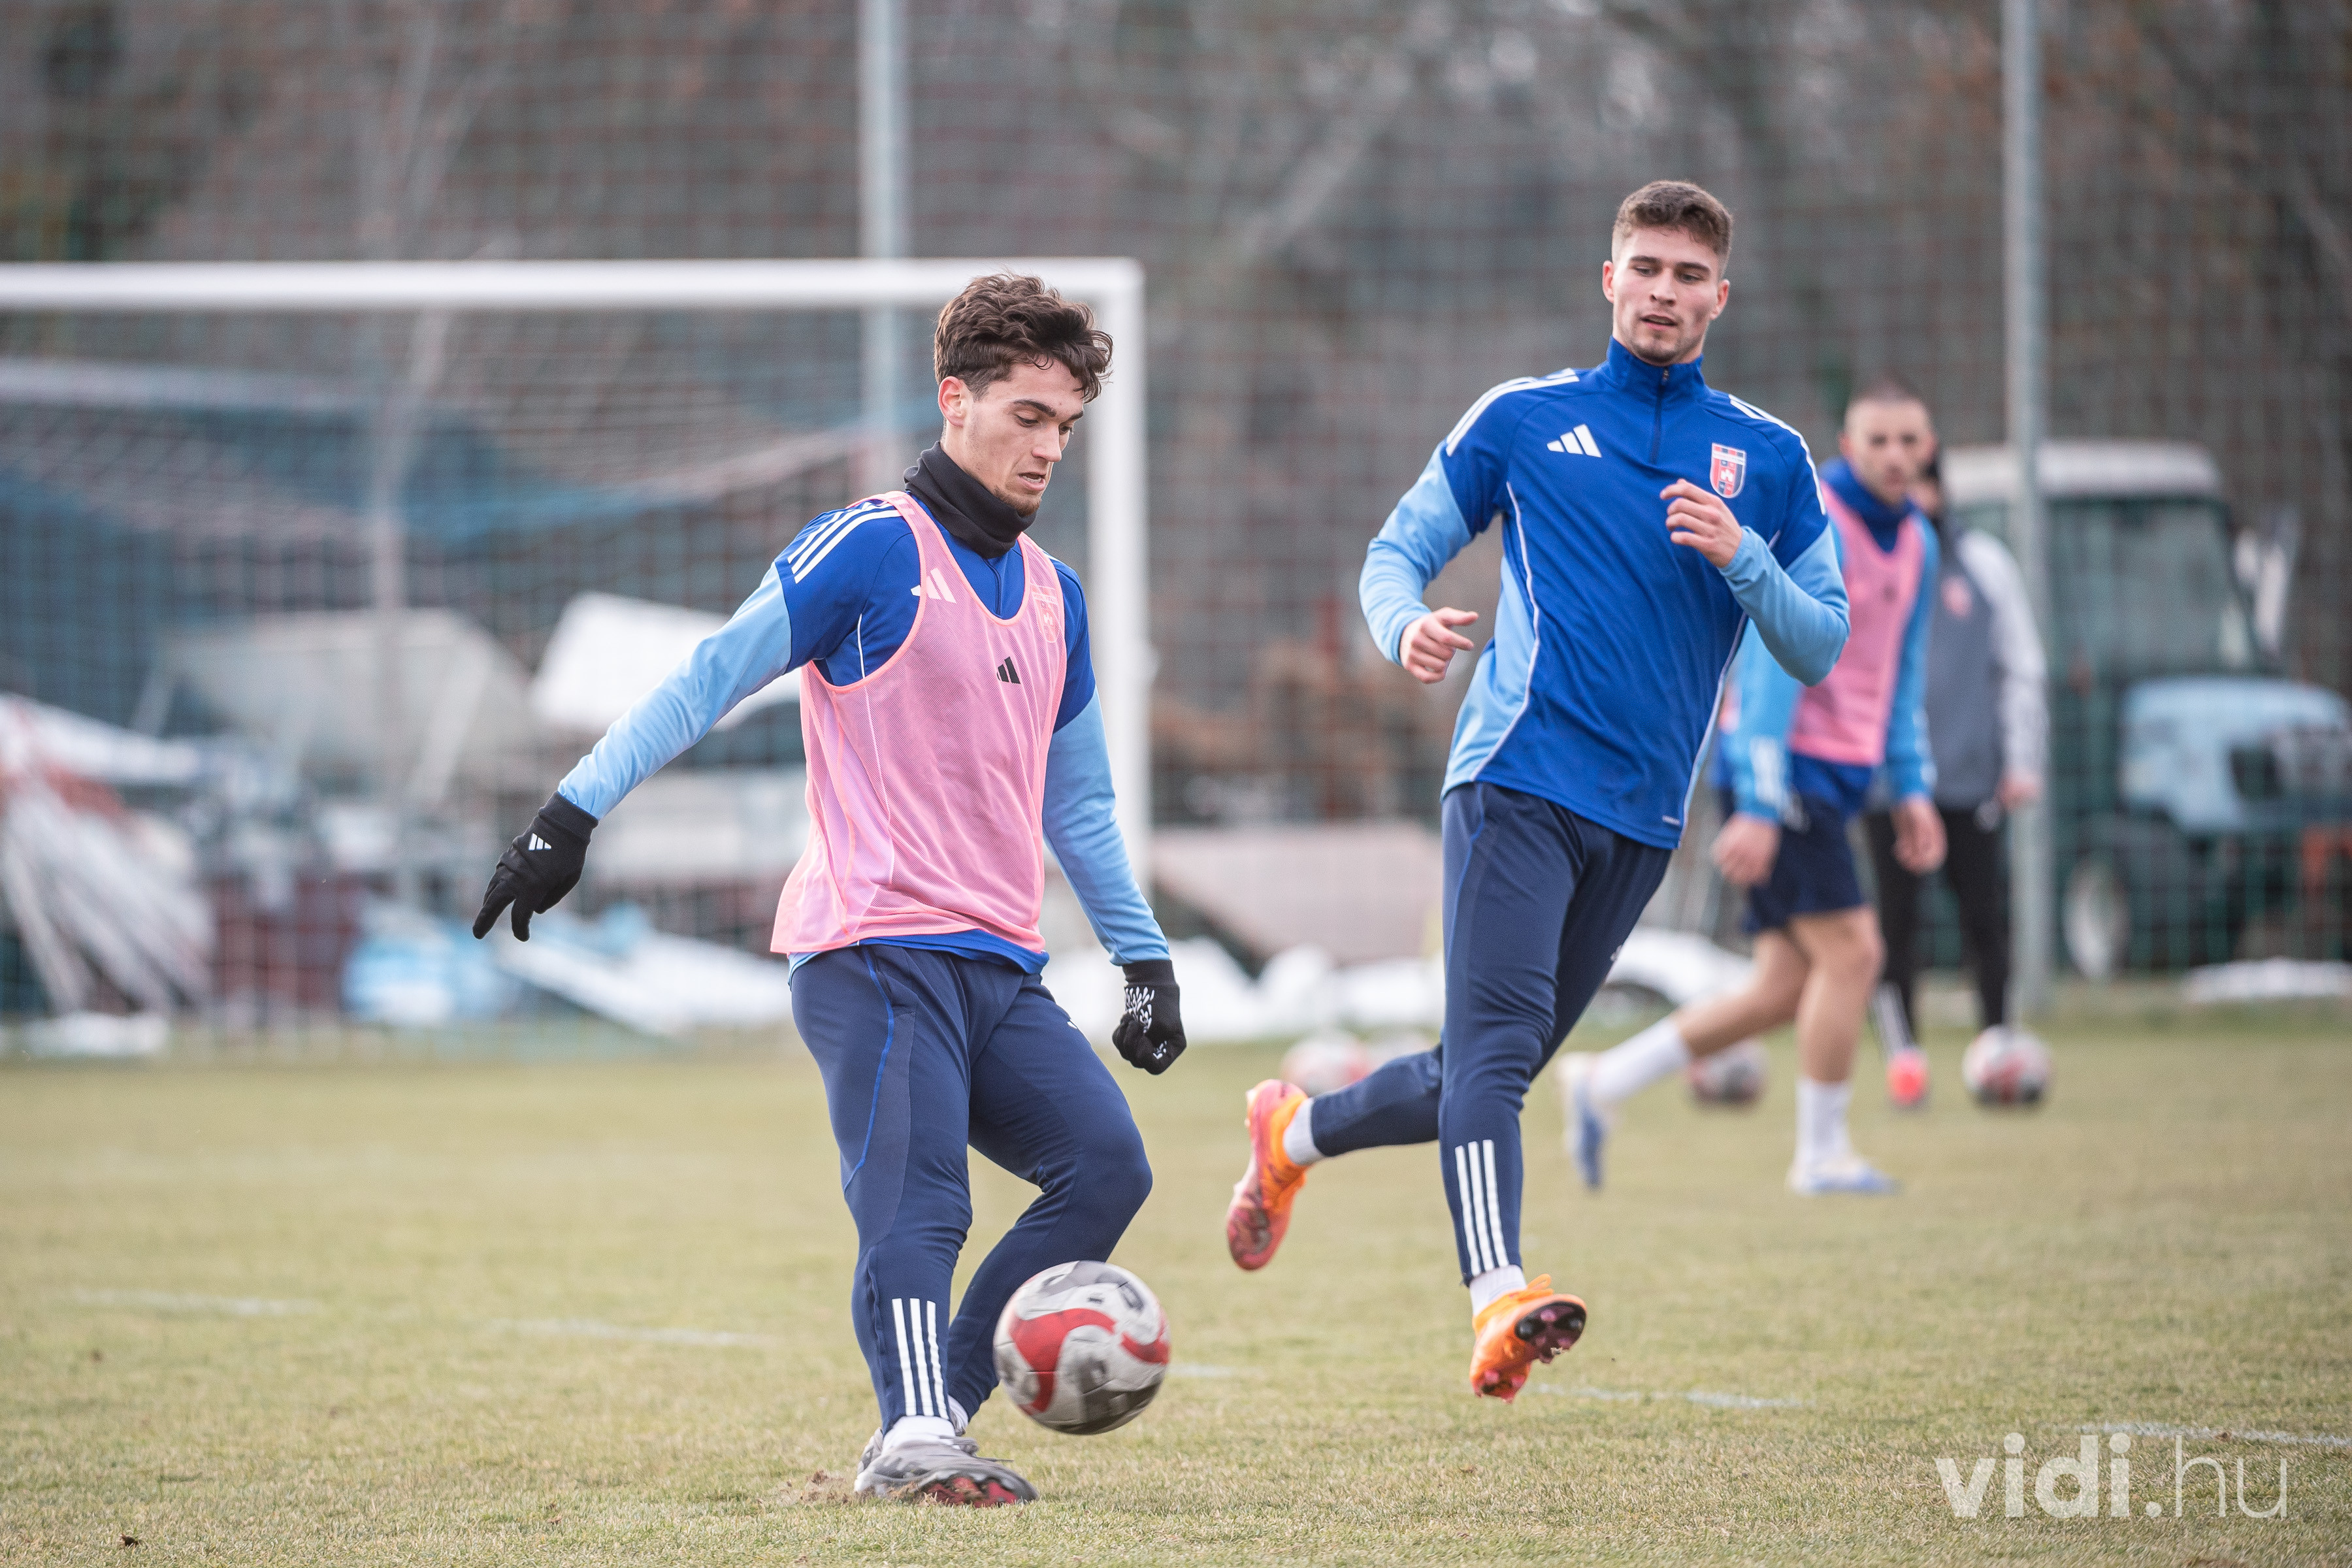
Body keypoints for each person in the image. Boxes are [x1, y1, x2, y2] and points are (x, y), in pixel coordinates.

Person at [469, 274, 1185, 1507]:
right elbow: (708, 678)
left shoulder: (1057, 597)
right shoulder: (870, 548)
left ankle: (934, 1413)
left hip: (999, 967)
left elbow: (1079, 807)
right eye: (1026, 416)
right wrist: (569, 815)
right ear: (954, 400)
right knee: (923, 1201)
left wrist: (1146, 958)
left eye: (1065, 427)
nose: (1047, 448)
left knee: (1107, 1165)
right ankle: (914, 1437)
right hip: (872, 948)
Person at [1220, 181, 1851, 1403]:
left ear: (1720, 298)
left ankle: (1289, 1135)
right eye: (1644, 267)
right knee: (1498, 1065)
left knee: (1474, 1072)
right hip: (1514, 776)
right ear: (1608, 279)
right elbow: (1395, 552)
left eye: (1687, 275)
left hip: (1643, 821)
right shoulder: (1524, 418)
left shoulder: (1769, 459)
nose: (1662, 291)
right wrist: (1402, 624)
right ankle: (1498, 1297)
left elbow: (1819, 642)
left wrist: (1745, 556)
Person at [1566, 378, 1946, 1194]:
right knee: (1856, 954)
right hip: (1785, 771)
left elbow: (1902, 676)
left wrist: (1913, 785)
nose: (1894, 455)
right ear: (1847, 447)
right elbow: (1774, 662)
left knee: (1783, 987)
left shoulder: (1919, 540)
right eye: (1877, 440)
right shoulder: (1819, 519)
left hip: (1839, 780)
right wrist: (1763, 803)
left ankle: (1602, 1083)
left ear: (1929, 449)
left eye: (1909, 440)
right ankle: (1822, 1155)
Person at [1863, 451, 2047, 1069]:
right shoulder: (1858, 561)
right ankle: (1903, 1061)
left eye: (1921, 480)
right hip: (1889, 784)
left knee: (1985, 921)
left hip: (1968, 780)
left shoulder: (1986, 566)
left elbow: (2020, 668)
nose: (1910, 493)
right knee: (1895, 928)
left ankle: (1999, 1047)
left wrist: (2021, 759)